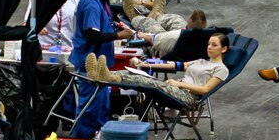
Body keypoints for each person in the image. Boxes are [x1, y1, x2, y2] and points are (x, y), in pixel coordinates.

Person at [67, 0, 136, 137]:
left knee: (102, 108)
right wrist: (119, 35)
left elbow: (102, 24)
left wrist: (115, 27)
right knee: (90, 109)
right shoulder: (91, 2)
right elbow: (92, 34)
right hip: (90, 66)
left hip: (101, 67)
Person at [87, 33, 230, 108]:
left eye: (214, 45)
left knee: (151, 84)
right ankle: (106, 75)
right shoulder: (200, 61)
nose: (209, 47)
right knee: (139, 74)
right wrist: (146, 64)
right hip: (175, 88)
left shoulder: (221, 69)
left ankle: (108, 77)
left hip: (188, 98)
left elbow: (205, 90)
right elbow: (175, 65)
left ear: (223, 49)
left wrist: (180, 84)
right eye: (208, 44)